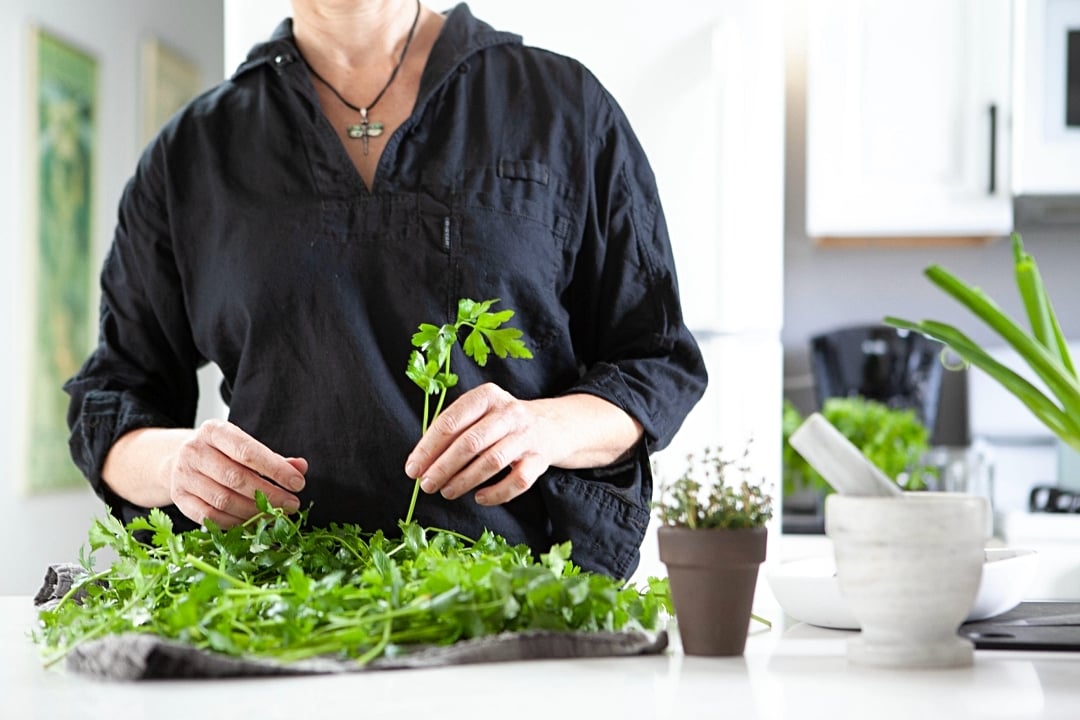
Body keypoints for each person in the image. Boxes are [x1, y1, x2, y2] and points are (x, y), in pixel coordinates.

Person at [64, 0, 707, 580]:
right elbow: (110, 400)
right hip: (276, 614)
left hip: (516, 600)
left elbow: (655, 360)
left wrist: (543, 427)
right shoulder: (191, 155)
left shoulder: (564, 107)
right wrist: (177, 465)